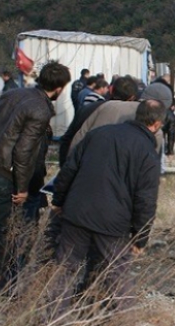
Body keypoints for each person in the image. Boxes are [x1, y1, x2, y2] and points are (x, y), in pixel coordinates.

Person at [51, 99, 165, 312]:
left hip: (77, 213)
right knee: (118, 276)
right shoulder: (148, 154)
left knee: (64, 270)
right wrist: (140, 239)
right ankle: (121, 321)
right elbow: (146, 200)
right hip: (113, 225)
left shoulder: (99, 134)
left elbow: (69, 170)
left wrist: (58, 201)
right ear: (158, 124)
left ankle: (52, 320)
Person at [0, 61, 70, 289]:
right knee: (3, 232)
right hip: (4, 175)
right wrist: (21, 188)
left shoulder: (13, 93)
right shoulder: (41, 109)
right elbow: (24, 151)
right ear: (59, 87)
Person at [70, 82, 171, 154]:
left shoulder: (107, 106)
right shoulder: (154, 127)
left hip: (86, 169)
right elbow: (149, 169)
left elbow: (79, 137)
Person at [58, 76, 139, 167]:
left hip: (84, 166)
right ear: (132, 97)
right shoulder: (137, 115)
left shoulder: (88, 109)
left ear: (111, 90)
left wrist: (65, 169)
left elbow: (68, 139)